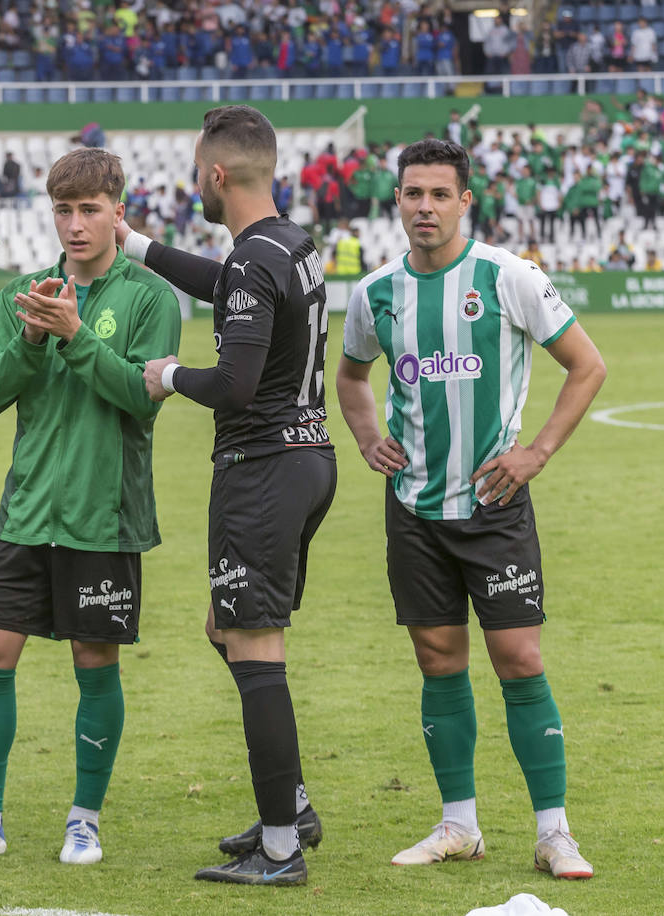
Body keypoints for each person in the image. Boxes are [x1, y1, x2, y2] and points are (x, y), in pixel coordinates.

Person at [335, 138, 605, 881]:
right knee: (437, 659)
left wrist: (536, 453)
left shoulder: (507, 276)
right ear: (397, 201)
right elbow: (352, 377)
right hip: (415, 510)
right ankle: (460, 825)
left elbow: (587, 366)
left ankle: (554, 832)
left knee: (519, 659)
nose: (425, 207)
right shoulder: (376, 292)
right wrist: (367, 438)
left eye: (439, 195)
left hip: (495, 504)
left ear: (465, 201)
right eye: (412, 194)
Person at [0, 147, 181, 866]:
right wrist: (34, 337)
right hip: (26, 512)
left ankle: (84, 820)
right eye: (63, 210)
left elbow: (141, 397)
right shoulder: (21, 295)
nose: (75, 224)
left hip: (103, 515)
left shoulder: (152, 298)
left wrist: (73, 342)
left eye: (89, 209)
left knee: (95, 662)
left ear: (118, 212)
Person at [127, 105, 335, 887]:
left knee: (254, 645)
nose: (194, 182)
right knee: (227, 626)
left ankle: (281, 849)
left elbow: (237, 385)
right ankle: (293, 805)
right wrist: (138, 246)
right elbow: (226, 284)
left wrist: (168, 376)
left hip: (262, 467)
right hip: (309, 459)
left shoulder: (254, 258)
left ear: (216, 174)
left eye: (195, 169)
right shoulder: (291, 243)